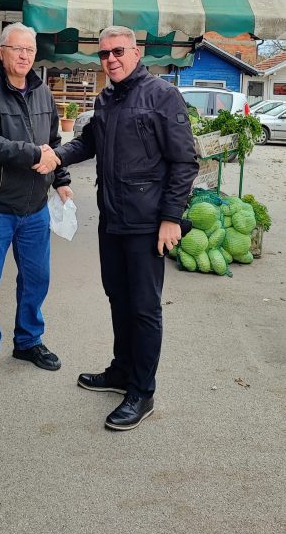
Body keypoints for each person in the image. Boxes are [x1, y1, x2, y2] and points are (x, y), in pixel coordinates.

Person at [36, 26, 198, 431]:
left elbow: (185, 162)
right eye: (104, 54)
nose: (110, 59)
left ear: (136, 52)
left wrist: (170, 218)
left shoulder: (162, 96)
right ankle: (122, 371)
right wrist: (57, 156)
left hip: (147, 223)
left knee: (144, 308)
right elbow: (88, 143)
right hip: (112, 220)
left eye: (118, 51)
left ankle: (143, 392)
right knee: (118, 298)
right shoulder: (106, 98)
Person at [0, 22, 72, 390]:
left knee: (37, 279)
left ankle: (27, 341)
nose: (24, 56)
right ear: (1, 52)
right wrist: (33, 154)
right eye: (17, 49)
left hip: (35, 207)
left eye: (30, 50)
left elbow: (53, 142)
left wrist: (62, 180)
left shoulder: (42, 93)